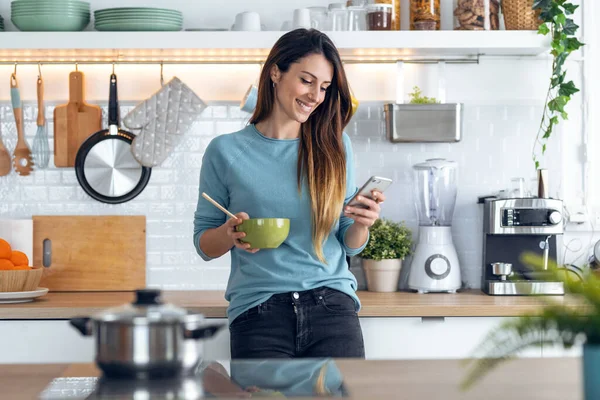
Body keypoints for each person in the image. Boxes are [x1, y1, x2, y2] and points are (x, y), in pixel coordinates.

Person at [193, 28, 386, 359]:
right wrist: (229, 233)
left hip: (332, 308)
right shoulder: (225, 151)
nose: (315, 95)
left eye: (324, 87)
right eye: (307, 81)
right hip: (258, 312)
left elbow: (348, 240)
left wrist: (362, 224)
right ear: (275, 72)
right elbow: (204, 246)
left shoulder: (336, 146)